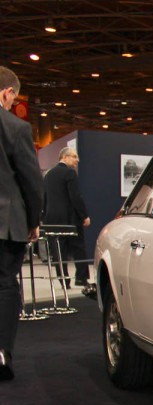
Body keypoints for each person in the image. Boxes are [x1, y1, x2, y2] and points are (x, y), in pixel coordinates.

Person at [0, 66, 43, 381]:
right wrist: (34, 220)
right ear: (7, 94)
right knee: (4, 285)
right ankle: (1, 354)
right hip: (6, 223)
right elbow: (31, 181)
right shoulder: (15, 128)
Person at [43, 146, 92, 292]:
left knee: (58, 250)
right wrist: (84, 215)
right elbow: (75, 196)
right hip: (70, 219)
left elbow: (44, 198)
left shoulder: (48, 174)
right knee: (78, 248)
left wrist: (43, 217)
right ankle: (81, 278)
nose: (77, 160)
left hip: (51, 218)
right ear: (64, 157)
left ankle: (63, 280)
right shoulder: (70, 173)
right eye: (74, 156)